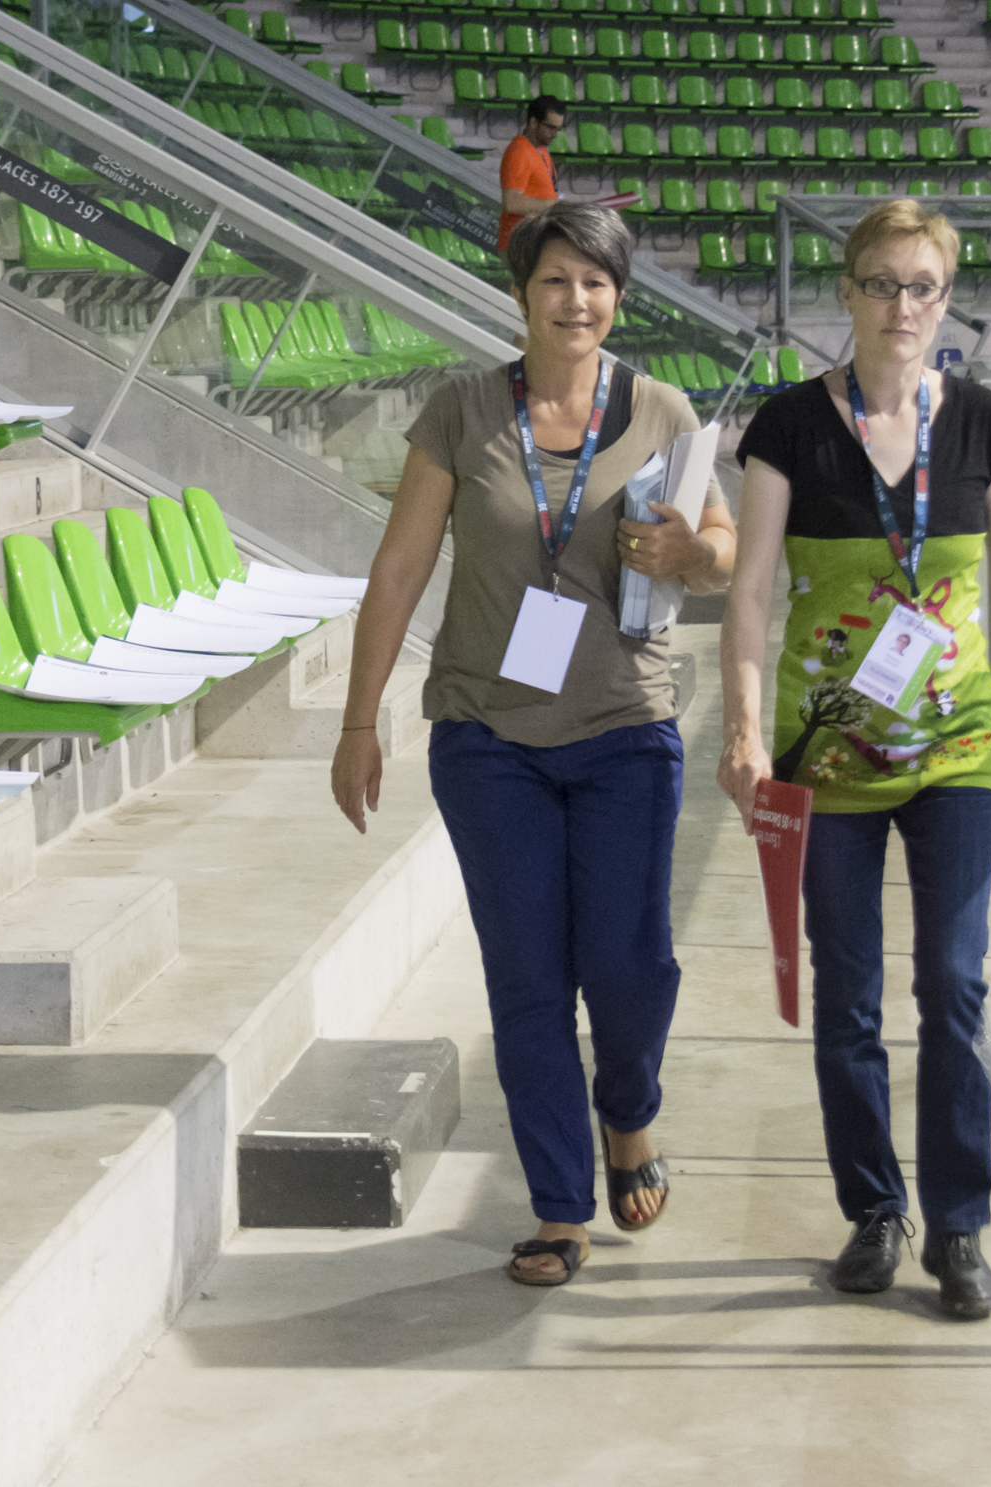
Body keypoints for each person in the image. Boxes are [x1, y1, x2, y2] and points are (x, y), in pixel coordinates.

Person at [330, 203, 737, 1287]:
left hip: (625, 729)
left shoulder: (661, 410)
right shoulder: (462, 411)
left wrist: (691, 552)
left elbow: (724, 551)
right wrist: (360, 720)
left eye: (596, 282)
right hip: (488, 737)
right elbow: (399, 570)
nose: (576, 301)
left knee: (629, 965)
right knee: (526, 978)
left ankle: (629, 1111)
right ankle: (560, 1204)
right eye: (555, 281)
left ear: (619, 297)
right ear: (521, 296)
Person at [717, 199, 991, 1322]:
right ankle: (873, 1208)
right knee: (846, 993)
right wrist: (743, 729)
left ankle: (957, 1223)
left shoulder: (982, 422)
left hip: (959, 750)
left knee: (952, 985)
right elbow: (749, 592)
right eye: (880, 283)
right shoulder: (788, 426)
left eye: (922, 286)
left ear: (943, 300)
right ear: (846, 293)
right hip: (825, 761)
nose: (900, 305)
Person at [497, 95, 569, 251]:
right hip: (518, 245)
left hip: (533, 242)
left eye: (558, 128)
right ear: (534, 122)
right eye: (550, 127)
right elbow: (511, 202)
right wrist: (554, 206)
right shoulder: (520, 152)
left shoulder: (539, 149)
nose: (555, 134)